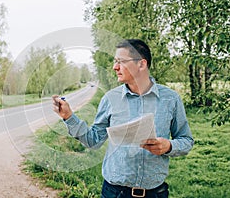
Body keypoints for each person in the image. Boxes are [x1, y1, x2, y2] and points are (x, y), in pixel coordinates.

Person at [52, 39, 194, 198]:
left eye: (120, 62)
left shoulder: (171, 99)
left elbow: (186, 140)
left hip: (155, 193)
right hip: (114, 193)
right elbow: (93, 140)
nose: (115, 67)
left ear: (141, 64)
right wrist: (69, 117)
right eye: (115, 62)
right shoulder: (110, 99)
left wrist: (168, 146)